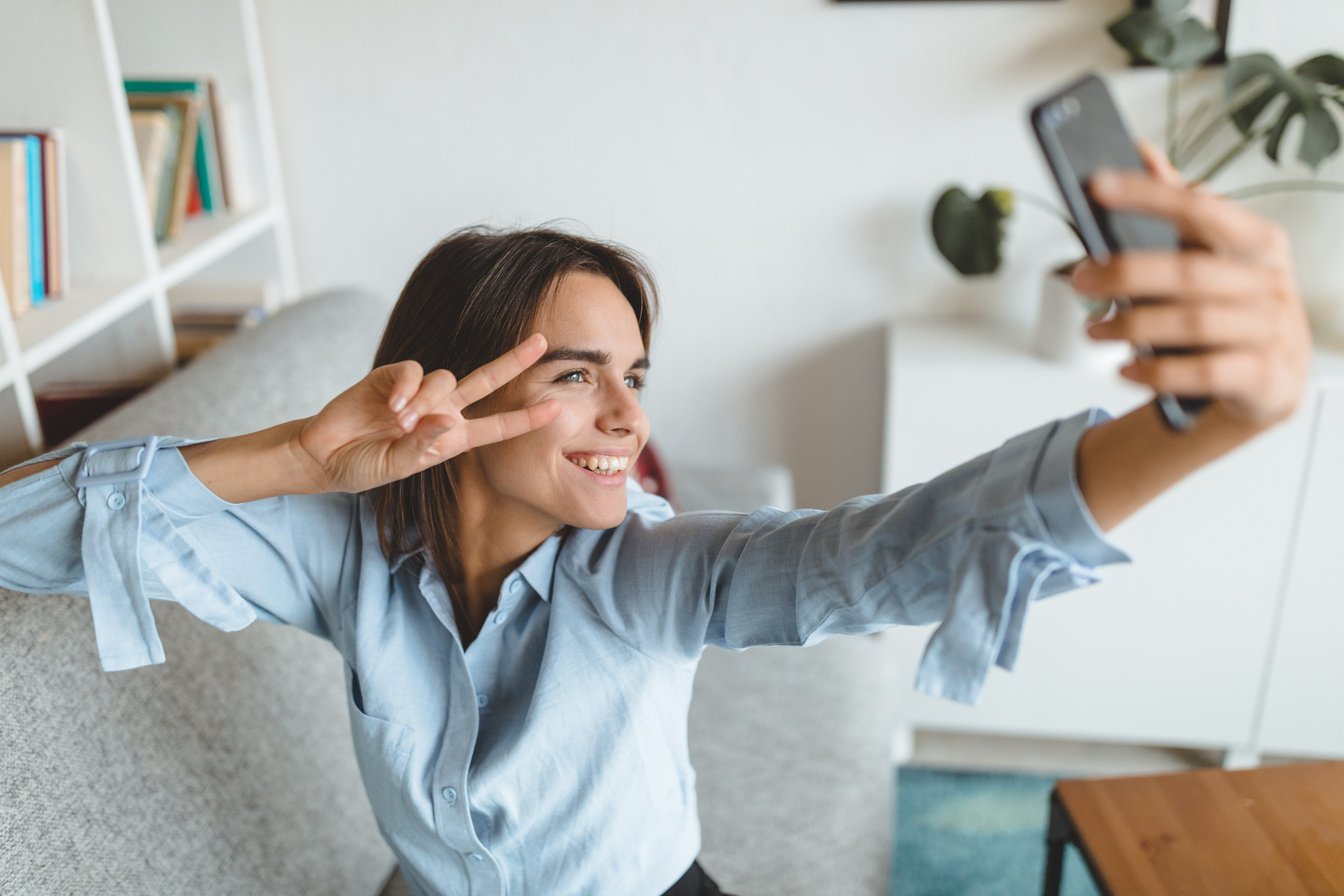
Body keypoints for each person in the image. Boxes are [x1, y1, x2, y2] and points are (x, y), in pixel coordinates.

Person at [0, 147, 1312, 896]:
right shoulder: (340, 548)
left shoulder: (644, 576)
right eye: (578, 373)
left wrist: (1215, 422)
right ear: (449, 384)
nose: (626, 415)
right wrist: (292, 453)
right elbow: (31, 536)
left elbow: (887, 553)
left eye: (636, 375)